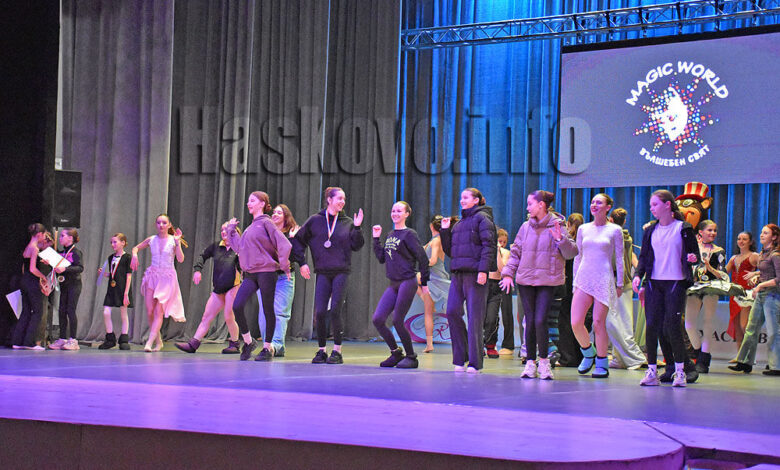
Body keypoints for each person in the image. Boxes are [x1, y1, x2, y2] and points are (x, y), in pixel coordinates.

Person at [500, 191, 577, 380]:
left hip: (547, 280)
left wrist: (561, 240)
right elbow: (516, 252)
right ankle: (530, 363)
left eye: (530, 204)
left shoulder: (557, 225)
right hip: (526, 280)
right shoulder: (525, 227)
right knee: (530, 321)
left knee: (540, 320)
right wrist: (508, 274)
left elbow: (571, 253)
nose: (527, 208)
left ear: (541, 205)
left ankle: (544, 362)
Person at [633, 190, 699, 387]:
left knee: (673, 326)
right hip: (654, 282)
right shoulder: (650, 230)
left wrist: (692, 258)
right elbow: (644, 257)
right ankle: (652, 371)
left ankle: (680, 372)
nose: (651, 208)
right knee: (652, 326)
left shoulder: (683, 228)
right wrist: (638, 276)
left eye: (655, 204)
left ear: (667, 205)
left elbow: (694, 254)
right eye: (651, 205)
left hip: (675, 282)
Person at [293, 187, 364, 364]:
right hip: (323, 272)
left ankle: (337, 351)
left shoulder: (348, 222)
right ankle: (321, 350)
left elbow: (357, 246)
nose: (342, 202)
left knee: (335, 311)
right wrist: (302, 263)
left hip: (341, 271)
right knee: (320, 312)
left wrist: (357, 228)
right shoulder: (315, 220)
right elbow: (298, 241)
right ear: (329, 200)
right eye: (339, 198)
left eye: (344, 199)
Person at [225, 191, 292, 362]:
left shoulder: (266, 223)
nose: (249, 203)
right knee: (237, 305)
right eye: (248, 201)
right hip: (251, 273)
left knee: (268, 309)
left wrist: (284, 265)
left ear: (262, 204)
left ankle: (267, 348)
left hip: (267, 271)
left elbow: (284, 243)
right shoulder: (250, 227)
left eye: (252, 201)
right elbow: (240, 248)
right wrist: (231, 230)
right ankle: (248, 342)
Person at [440, 187, 497, 373]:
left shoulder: (483, 219)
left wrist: (483, 270)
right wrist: (445, 232)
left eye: (466, 197)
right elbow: (451, 251)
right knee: (452, 311)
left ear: (476, 200)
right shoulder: (459, 223)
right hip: (458, 274)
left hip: (475, 274)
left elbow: (489, 245)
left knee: (475, 318)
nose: (462, 200)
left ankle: (475, 362)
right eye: (461, 197)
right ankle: (461, 356)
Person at [371, 201, 430, 369]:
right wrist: (376, 239)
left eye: (399, 211)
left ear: (407, 214)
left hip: (407, 281)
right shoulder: (390, 234)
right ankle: (396, 353)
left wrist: (424, 282)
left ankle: (411, 357)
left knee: (397, 320)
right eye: (393, 211)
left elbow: (422, 258)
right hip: (394, 283)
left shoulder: (409, 234)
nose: (395, 213)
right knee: (378, 319)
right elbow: (382, 258)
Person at [571, 194, 624, 378]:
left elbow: (619, 258)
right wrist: (575, 281)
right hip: (584, 278)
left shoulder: (615, 230)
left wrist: (619, 283)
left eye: (599, 202)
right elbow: (578, 256)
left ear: (608, 207)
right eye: (592, 202)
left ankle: (602, 362)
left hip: (603, 278)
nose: (594, 205)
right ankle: (588, 352)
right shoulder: (583, 229)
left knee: (598, 322)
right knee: (576, 322)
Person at [174, 222, 242, 354]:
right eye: (222, 230)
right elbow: (203, 256)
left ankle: (235, 344)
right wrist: (197, 270)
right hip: (218, 288)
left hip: (233, 286)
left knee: (229, 316)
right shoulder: (217, 246)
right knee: (206, 317)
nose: (223, 232)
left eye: (226, 230)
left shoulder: (238, 248)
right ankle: (193, 344)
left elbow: (243, 265)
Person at [729, 224, 780, 376]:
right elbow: (766, 271)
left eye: (766, 233)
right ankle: (744, 362)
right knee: (751, 329)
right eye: (762, 232)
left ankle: (776, 366)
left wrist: (760, 285)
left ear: (774, 237)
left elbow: (778, 279)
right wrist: (756, 275)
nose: (762, 235)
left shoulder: (776, 255)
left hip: (772, 295)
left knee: (773, 331)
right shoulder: (764, 253)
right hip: (761, 295)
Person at [131, 213, 187, 352]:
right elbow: (135, 248)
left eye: (164, 223)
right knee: (150, 310)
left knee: (158, 311)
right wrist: (134, 255)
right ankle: (159, 341)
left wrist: (178, 243)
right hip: (153, 276)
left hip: (167, 278)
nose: (161, 225)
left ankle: (149, 343)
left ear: (169, 225)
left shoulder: (173, 240)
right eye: (158, 223)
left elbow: (180, 259)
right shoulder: (152, 239)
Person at [255, 204, 302, 357]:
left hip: (284, 278)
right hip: (266, 276)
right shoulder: (265, 232)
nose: (275, 214)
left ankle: (277, 345)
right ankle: (267, 346)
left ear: (285, 217)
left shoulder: (291, 234)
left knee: (280, 312)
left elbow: (295, 256)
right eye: (274, 212)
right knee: (264, 312)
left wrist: (294, 240)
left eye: (279, 213)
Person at [684, 220, 728, 373]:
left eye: (714, 230)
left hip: (711, 287)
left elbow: (723, 274)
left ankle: (704, 358)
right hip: (694, 287)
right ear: (700, 232)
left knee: (708, 322)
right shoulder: (693, 248)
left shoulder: (718, 251)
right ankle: (698, 353)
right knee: (689, 324)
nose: (713, 233)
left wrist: (710, 268)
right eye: (709, 230)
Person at [606, 208, 646, 370]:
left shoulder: (613, 237)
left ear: (610, 220)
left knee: (614, 322)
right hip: (625, 282)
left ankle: (635, 357)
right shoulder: (627, 237)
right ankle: (619, 358)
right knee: (623, 322)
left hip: (616, 283)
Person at [415, 215, 451, 353]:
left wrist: (423, 263)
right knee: (428, 312)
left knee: (410, 278)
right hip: (431, 277)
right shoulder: (434, 240)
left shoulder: (436, 241)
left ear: (431, 226)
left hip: (435, 278)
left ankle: (430, 344)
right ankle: (429, 344)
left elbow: (433, 260)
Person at [12, 224, 50, 350]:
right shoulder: (34, 248)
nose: (44, 237)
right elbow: (33, 269)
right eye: (44, 234)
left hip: (24, 280)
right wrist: (43, 277)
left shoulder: (27, 247)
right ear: (39, 234)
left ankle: (17, 341)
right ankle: (29, 342)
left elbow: (25, 268)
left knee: (26, 311)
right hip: (31, 282)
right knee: (38, 312)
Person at [47, 229, 83, 351]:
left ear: (70, 238)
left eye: (63, 236)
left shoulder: (76, 252)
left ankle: (73, 340)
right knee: (62, 311)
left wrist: (65, 269)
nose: (60, 238)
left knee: (70, 311)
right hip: (64, 285)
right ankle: (62, 338)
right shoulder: (62, 252)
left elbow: (80, 268)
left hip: (74, 285)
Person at [725, 231, 759, 357]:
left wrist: (755, 274)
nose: (741, 241)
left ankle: (749, 356)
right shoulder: (733, 258)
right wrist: (709, 267)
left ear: (750, 241)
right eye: (739, 239)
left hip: (747, 295)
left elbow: (766, 269)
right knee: (737, 328)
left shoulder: (754, 256)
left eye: (744, 239)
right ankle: (740, 356)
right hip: (734, 295)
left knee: (744, 326)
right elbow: (723, 273)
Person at [97, 233, 133, 350]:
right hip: (112, 288)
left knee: (123, 313)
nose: (112, 244)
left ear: (123, 243)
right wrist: (104, 274)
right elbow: (114, 274)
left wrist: (126, 293)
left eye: (115, 242)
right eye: (111, 242)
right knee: (106, 312)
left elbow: (128, 276)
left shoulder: (128, 258)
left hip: (123, 289)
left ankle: (124, 339)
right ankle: (110, 339)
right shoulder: (110, 257)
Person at [557, 213, 584, 367]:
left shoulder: (568, 242)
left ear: (568, 224)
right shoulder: (583, 241)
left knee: (565, 321)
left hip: (568, 284)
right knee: (578, 321)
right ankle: (580, 356)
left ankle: (567, 357)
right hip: (581, 284)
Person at [485, 228, 513, 357]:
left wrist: (497, 251)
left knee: (492, 318)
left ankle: (491, 344)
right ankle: (480, 344)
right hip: (484, 285)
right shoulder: (485, 250)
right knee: (481, 317)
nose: (501, 244)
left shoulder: (505, 253)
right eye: (499, 241)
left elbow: (502, 269)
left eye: (504, 242)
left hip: (497, 285)